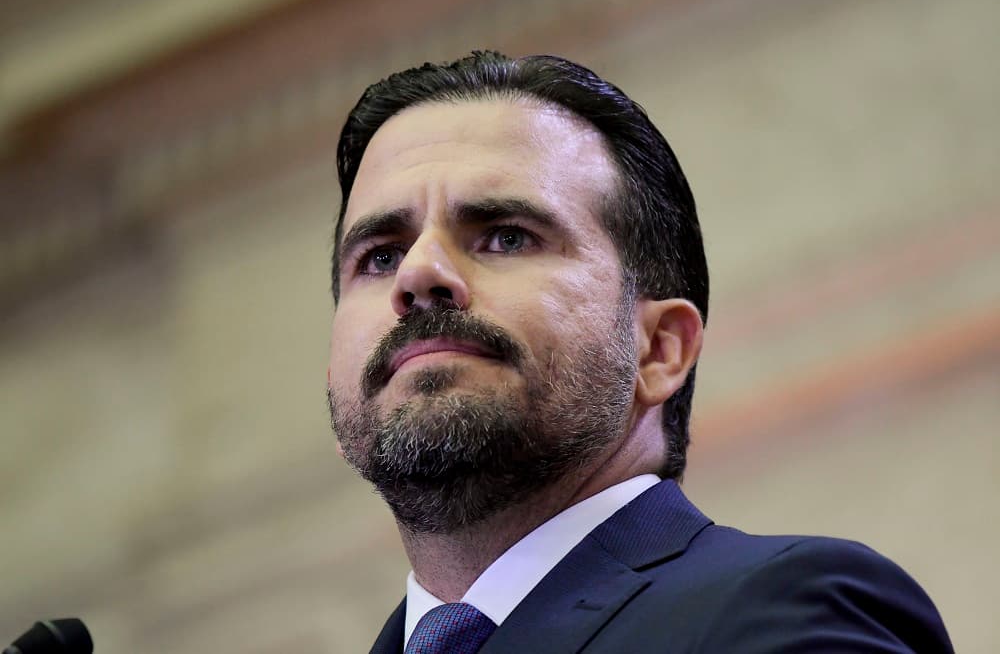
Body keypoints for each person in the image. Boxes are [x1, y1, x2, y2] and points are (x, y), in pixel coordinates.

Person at [326, 51, 952, 653]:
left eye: (507, 237)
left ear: (658, 349)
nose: (419, 273)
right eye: (380, 257)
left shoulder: (786, 614)